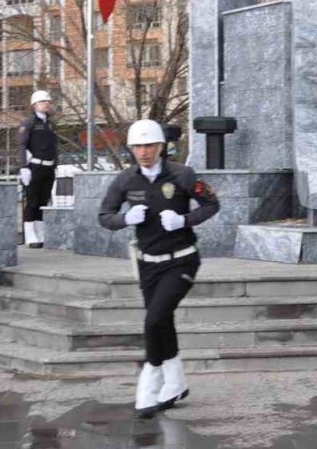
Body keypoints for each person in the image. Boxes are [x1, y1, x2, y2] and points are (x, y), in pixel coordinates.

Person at [98, 119, 220, 418]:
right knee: (162, 321)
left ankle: (149, 383)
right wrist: (125, 220)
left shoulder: (183, 175)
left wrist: (185, 220)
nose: (143, 152)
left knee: (154, 320)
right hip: (147, 265)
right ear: (130, 148)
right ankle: (176, 384)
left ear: (161, 146)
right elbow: (104, 215)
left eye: (149, 145)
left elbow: (211, 204)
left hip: (182, 259)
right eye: (137, 146)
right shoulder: (126, 180)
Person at [17, 90, 57, 248]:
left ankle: (40, 233)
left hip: (48, 167)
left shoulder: (50, 124)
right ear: (34, 105)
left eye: (48, 101)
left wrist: (55, 165)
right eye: (43, 101)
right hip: (34, 166)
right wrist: (23, 167)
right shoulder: (29, 122)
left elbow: (53, 147)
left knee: (43, 201)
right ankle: (30, 234)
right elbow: (21, 145)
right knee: (32, 202)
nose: (46, 104)